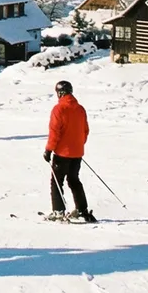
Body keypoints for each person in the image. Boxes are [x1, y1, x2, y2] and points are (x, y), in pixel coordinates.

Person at [45, 79, 96, 222]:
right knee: (74, 180)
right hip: (77, 152)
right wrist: (78, 146)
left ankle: (58, 211)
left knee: (56, 182)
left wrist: (49, 150)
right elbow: (85, 130)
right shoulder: (80, 109)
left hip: (62, 153)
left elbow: (54, 132)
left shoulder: (59, 109)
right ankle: (81, 209)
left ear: (60, 93)